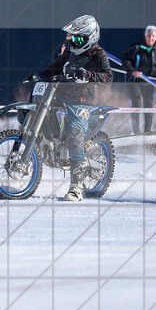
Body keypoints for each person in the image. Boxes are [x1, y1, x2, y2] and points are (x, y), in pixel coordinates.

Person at [28, 15, 112, 201]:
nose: (74, 41)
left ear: (91, 37)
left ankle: (76, 187)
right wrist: (40, 75)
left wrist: (88, 74)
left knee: (75, 137)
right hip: (60, 94)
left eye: (79, 38)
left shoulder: (98, 55)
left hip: (81, 100)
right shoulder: (71, 52)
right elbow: (57, 67)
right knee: (37, 111)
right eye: (72, 38)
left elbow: (107, 76)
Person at [121, 24, 156, 135]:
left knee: (149, 105)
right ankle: (136, 131)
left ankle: (147, 132)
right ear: (145, 36)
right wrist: (133, 71)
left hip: (149, 81)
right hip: (135, 81)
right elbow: (125, 60)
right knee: (136, 102)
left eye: (153, 36)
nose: (150, 38)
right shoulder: (136, 47)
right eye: (148, 36)